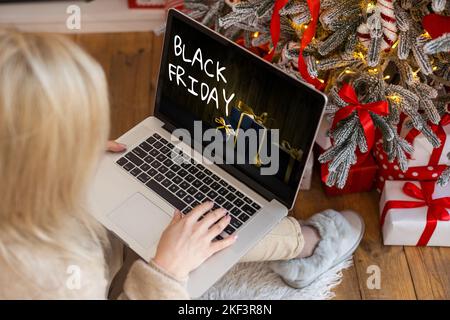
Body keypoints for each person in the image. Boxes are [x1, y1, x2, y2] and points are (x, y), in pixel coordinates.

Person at [0, 29, 364, 299]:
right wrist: (164, 273)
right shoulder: (51, 282)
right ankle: (309, 243)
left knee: (189, 211)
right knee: (208, 224)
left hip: (84, 233)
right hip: (110, 274)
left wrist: (71, 157)